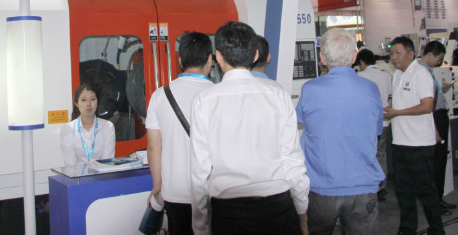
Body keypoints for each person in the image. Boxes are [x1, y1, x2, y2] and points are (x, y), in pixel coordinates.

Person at [190, 21, 309, 235]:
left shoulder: (204, 100)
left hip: (229, 213)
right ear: (255, 55)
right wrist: (301, 208)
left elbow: (200, 171)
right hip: (279, 208)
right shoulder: (278, 95)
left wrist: (200, 227)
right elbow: (292, 159)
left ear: (218, 56)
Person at [297, 30, 383, 235]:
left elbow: (297, 121)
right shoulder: (371, 89)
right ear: (354, 55)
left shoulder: (310, 89)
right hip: (363, 187)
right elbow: (377, 131)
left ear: (322, 58)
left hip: (321, 189)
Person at [145, 32, 214, 235]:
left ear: (180, 60)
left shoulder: (159, 96)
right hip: (211, 189)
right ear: (210, 59)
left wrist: (158, 184)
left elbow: (154, 146)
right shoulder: (218, 94)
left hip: (174, 191)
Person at [384, 36, 445, 235]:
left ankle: (437, 230)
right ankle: (407, 229)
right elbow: (400, 103)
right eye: (392, 53)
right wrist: (390, 109)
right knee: (403, 191)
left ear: (411, 55)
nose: (393, 57)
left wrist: (397, 112)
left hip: (419, 144)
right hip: (400, 142)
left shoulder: (420, 74)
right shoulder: (397, 75)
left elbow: (427, 106)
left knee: (426, 191)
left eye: (398, 53)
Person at [418, 41, 455, 214]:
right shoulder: (421, 72)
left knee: (440, 162)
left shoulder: (429, 71)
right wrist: (434, 127)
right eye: (438, 59)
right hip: (434, 119)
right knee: (436, 164)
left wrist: (442, 90)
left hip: (439, 115)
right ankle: (434, 203)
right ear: (431, 54)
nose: (439, 63)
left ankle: (438, 198)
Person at [355, 48, 392, 200]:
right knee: (381, 154)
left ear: (361, 62)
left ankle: (368, 185)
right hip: (384, 121)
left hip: (366, 124)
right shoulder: (386, 76)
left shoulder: (360, 76)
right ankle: (382, 186)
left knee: (366, 154)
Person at [60, 82, 116, 165]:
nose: (88, 104)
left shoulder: (107, 126)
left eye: (92, 99)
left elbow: (107, 161)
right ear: (76, 104)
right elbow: (70, 164)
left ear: (97, 102)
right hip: (77, 173)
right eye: (83, 100)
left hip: (102, 172)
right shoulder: (68, 128)